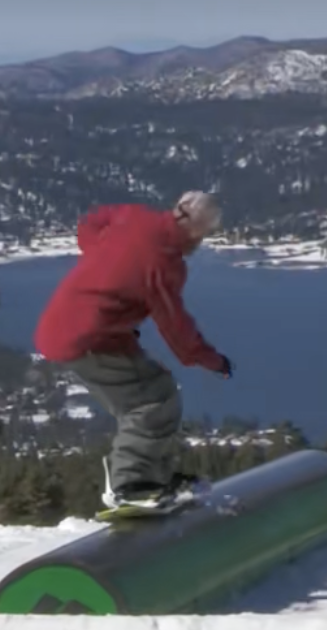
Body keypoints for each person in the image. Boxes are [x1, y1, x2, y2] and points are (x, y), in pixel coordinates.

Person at [34, 191, 233, 508]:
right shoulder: (164, 263)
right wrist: (212, 360)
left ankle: (151, 476)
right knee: (151, 401)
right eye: (206, 233)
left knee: (158, 390)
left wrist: (103, 261)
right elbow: (174, 326)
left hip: (80, 327)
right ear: (197, 231)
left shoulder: (133, 216)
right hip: (88, 338)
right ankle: (128, 485)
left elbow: (91, 222)